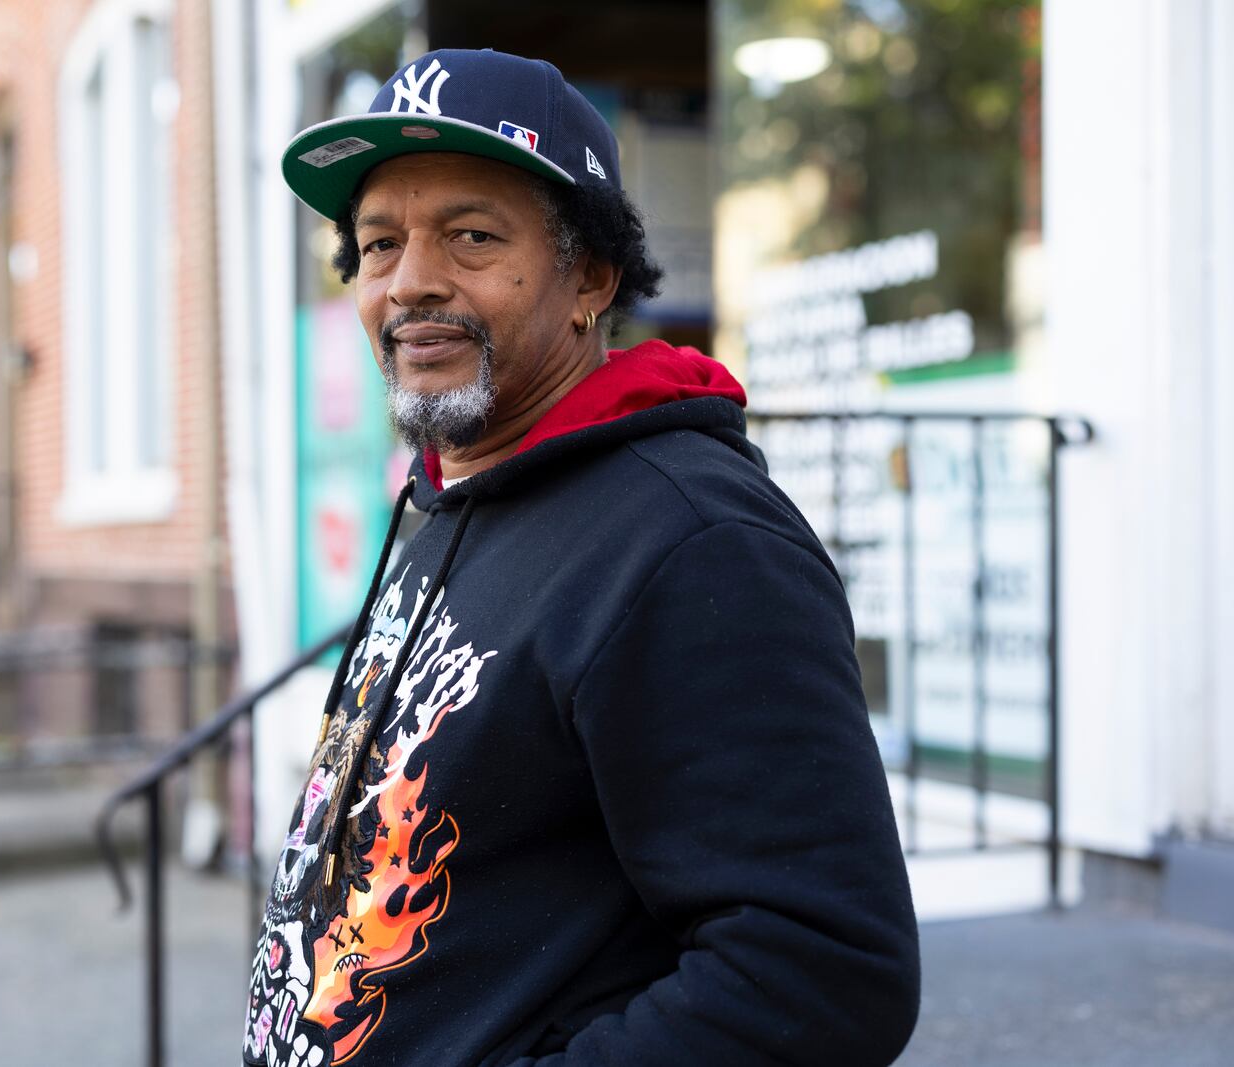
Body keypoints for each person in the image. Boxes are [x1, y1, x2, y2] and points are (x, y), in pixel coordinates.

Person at [244, 48, 919, 1067]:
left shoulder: (692, 542)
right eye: (379, 245)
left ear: (589, 279)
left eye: (471, 237)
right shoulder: (454, 499)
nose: (411, 282)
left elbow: (820, 967)